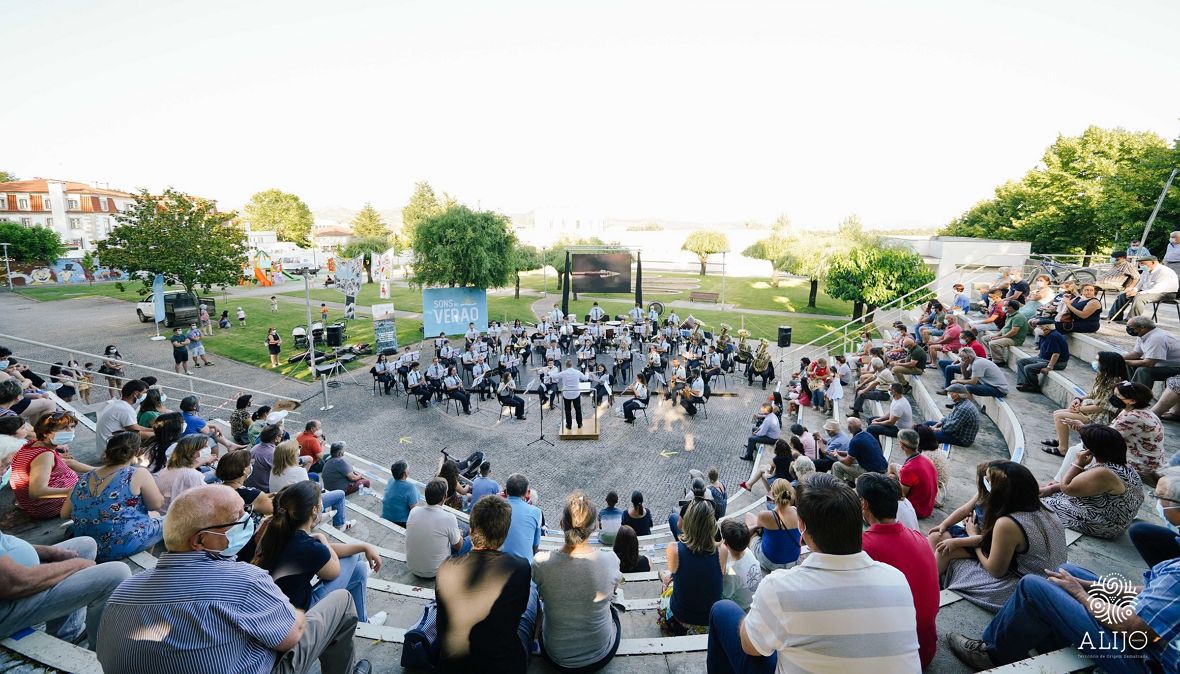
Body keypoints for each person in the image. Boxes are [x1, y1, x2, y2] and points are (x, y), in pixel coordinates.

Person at [96, 485, 371, 674]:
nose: (248, 522)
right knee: (341, 602)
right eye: (238, 518)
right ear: (201, 540)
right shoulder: (243, 581)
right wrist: (292, 612)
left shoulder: (123, 591)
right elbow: (292, 636)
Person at [706, 473, 920, 674]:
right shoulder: (898, 580)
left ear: (803, 527)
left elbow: (750, 647)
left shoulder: (779, 587)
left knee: (722, 610)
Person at [947, 559, 1180, 672]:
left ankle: (993, 654)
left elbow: (1133, 627)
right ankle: (1057, 639)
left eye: (1162, 498)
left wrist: (1081, 594)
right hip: (1146, 640)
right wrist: (1086, 584)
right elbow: (1149, 591)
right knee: (1067, 572)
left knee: (1033, 587)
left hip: (1142, 659)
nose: (1158, 502)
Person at [937, 461, 1067, 611]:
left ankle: (929, 589)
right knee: (942, 543)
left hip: (1023, 591)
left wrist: (972, 535)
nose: (984, 482)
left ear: (1000, 490)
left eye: (988, 480)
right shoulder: (1044, 508)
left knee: (945, 552)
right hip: (1049, 581)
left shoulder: (1007, 523)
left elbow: (996, 570)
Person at [253, 481, 385, 626]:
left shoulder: (282, 532)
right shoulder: (308, 546)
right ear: (314, 510)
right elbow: (334, 570)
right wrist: (323, 538)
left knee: (359, 569)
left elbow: (321, 552)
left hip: (276, 610)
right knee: (353, 557)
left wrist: (364, 546)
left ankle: (363, 622)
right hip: (298, 617)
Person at [436, 494, 537, 673]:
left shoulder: (446, 567)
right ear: (504, 534)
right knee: (533, 596)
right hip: (502, 665)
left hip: (453, 666)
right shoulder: (519, 567)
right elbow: (518, 611)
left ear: (472, 529)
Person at [0, 527, 131, 651]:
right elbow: (15, 582)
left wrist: (50, 552)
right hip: (10, 600)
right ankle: (103, 658)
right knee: (117, 574)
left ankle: (67, 635)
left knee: (85, 545)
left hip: (17, 573)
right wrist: (76, 565)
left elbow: (4, 542)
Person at [533, 492, 622, 672]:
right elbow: (613, 590)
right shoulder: (610, 560)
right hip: (600, 653)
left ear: (561, 525)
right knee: (614, 610)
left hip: (556, 655)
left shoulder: (541, 562)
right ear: (595, 527)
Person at [857, 473, 939, 668]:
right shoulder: (918, 538)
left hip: (894, 661)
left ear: (864, 504)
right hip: (925, 649)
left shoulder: (863, 547)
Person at [61, 431, 163, 562]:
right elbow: (156, 505)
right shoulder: (137, 473)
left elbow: (64, 513)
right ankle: (145, 563)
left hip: (88, 543)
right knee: (161, 518)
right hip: (117, 545)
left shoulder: (85, 477)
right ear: (137, 452)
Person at [1041, 424, 1145, 539]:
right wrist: (1052, 488)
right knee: (1045, 493)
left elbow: (1067, 488)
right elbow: (1081, 483)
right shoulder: (1122, 465)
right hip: (1110, 516)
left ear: (1091, 449)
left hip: (1105, 524)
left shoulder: (1103, 473)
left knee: (1038, 503)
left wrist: (1078, 464)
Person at [12, 412, 94, 520]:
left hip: (44, 502)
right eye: (64, 428)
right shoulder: (44, 455)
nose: (70, 431)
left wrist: (100, 470)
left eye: (72, 427)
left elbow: (67, 462)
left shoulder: (34, 445)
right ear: (46, 433)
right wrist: (77, 491)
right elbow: (37, 492)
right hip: (49, 506)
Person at [657, 500, 722, 635]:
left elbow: (675, 574)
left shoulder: (674, 549)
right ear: (712, 524)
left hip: (680, 619)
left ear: (688, 522)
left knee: (667, 582)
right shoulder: (723, 551)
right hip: (710, 621)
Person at [1044, 350, 1125, 454]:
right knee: (1057, 413)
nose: (1095, 363)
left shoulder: (1115, 383)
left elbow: (1101, 407)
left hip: (1101, 417)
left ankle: (1063, 449)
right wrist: (1079, 399)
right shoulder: (1104, 377)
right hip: (1092, 412)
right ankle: (1060, 440)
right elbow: (1093, 394)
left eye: (1098, 361)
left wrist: (1079, 408)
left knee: (1060, 417)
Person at [406, 478, 465, 578]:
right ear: (445, 497)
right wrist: (460, 535)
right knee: (466, 535)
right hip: (436, 572)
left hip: (412, 568)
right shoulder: (449, 518)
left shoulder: (414, 511)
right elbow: (458, 546)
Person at [744, 479, 802, 572]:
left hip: (771, 563)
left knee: (749, 516)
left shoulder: (766, 515)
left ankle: (745, 560)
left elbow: (758, 526)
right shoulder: (796, 511)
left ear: (773, 495)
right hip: (793, 561)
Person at [1108, 255, 1180, 321]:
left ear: (1153, 262)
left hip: (1166, 293)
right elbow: (1140, 283)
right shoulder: (1146, 270)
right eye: (1140, 263)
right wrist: (1134, 290)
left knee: (1139, 298)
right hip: (1149, 291)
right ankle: (1113, 317)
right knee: (1123, 295)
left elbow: (1158, 288)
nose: (1141, 265)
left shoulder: (1164, 271)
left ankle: (1131, 320)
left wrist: (1138, 293)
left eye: (1143, 263)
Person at [888, 429, 937, 519]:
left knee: (890, 478)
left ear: (902, 445)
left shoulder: (908, 469)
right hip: (928, 507)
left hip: (917, 510)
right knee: (892, 467)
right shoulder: (926, 459)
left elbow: (901, 496)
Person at [153, 435, 208, 513]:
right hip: (177, 515)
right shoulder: (192, 475)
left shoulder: (169, 468)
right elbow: (207, 497)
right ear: (194, 452)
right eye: (204, 447)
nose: (207, 449)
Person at [95, 379, 153, 452]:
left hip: (105, 449)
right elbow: (136, 433)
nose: (145, 395)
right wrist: (160, 434)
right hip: (112, 453)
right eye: (144, 392)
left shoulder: (116, 404)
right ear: (135, 393)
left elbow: (135, 427)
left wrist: (153, 429)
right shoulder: (126, 409)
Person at [1123, 315, 1180, 389]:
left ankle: (1139, 395)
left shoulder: (1156, 338)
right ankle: (1129, 387)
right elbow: (1136, 353)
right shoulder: (1143, 334)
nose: (1128, 329)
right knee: (1129, 364)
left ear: (1142, 328)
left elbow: (1149, 363)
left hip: (1175, 367)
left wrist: (1123, 361)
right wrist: (1117, 357)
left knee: (1143, 371)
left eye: (1130, 327)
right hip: (1161, 364)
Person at [717, 520, 762, 611]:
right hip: (753, 595)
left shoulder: (731, 571)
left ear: (725, 543)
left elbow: (726, 593)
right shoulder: (748, 552)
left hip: (742, 604)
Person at [215, 449, 274, 519]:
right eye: (250, 463)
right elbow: (273, 510)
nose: (251, 465)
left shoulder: (216, 488)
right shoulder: (252, 494)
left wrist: (265, 496)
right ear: (244, 470)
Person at [1014, 320, 1069, 393]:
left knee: (1028, 368)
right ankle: (1024, 383)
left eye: (1039, 327)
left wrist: (1049, 367)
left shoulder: (1053, 336)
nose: (1037, 328)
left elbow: (1056, 354)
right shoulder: (1044, 335)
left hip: (1058, 362)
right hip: (1043, 358)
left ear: (1047, 328)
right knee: (1021, 361)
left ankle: (1034, 386)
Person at [830, 417, 887, 485]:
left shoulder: (855, 441)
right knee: (851, 459)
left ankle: (839, 489)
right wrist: (839, 452)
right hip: (883, 467)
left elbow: (847, 462)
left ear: (849, 428)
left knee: (836, 465)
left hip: (874, 472)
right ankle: (850, 482)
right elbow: (851, 454)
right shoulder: (867, 434)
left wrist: (837, 455)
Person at [501, 473, 543, 563]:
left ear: (506, 491)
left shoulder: (495, 508)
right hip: (524, 567)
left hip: (499, 564)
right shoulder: (536, 512)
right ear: (527, 493)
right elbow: (535, 545)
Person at [942, 347, 1009, 398]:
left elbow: (973, 382)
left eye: (963, 358)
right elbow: (966, 376)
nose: (962, 360)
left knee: (968, 387)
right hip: (990, 384)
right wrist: (963, 366)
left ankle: (964, 406)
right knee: (963, 383)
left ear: (969, 357)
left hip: (999, 390)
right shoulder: (974, 361)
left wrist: (957, 381)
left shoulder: (977, 364)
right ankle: (955, 401)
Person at [982, 300, 1029, 365]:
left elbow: (1014, 331)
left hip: (1014, 339)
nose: (1004, 307)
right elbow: (1005, 328)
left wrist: (1000, 337)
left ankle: (999, 361)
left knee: (993, 343)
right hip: (1006, 336)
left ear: (1011, 307)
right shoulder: (1008, 314)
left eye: (1006, 306)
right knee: (985, 338)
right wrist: (996, 335)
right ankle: (991, 357)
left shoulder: (1018, 317)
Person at [381, 460, 419, 527]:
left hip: (385, 516)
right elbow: (414, 510)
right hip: (400, 521)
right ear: (405, 473)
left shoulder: (390, 480)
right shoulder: (410, 487)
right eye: (407, 468)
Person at [556, 359, 589, 430]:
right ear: (572, 365)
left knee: (567, 410)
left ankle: (569, 425)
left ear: (566, 365)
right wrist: (587, 373)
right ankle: (579, 423)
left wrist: (547, 371)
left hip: (567, 393)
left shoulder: (563, 373)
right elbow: (586, 378)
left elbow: (554, 376)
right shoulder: (577, 372)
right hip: (575, 393)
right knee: (578, 409)